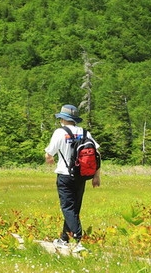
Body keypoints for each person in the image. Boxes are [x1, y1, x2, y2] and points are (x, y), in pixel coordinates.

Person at [44, 104, 100, 252]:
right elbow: (97, 154)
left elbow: (50, 153)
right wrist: (96, 176)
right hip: (82, 175)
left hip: (65, 175)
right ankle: (64, 238)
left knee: (68, 208)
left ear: (62, 118)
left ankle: (78, 240)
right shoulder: (85, 132)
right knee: (74, 208)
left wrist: (48, 159)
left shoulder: (59, 132)